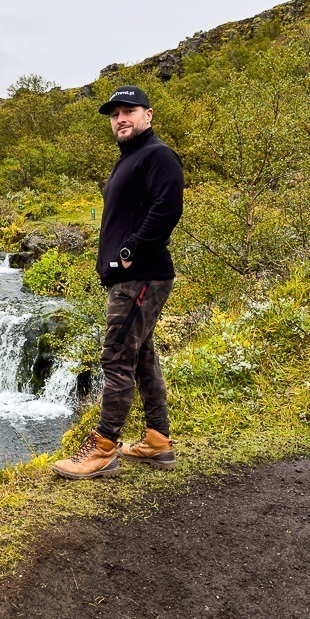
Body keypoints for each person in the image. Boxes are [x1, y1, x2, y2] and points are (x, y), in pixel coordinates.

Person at [53, 85, 184, 480]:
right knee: (142, 357)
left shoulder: (158, 155)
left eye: (129, 111)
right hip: (132, 278)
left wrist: (128, 253)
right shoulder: (129, 158)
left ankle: (104, 447)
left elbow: (168, 208)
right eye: (115, 114)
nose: (121, 118)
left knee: (116, 357)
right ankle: (157, 439)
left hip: (140, 276)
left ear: (149, 115)